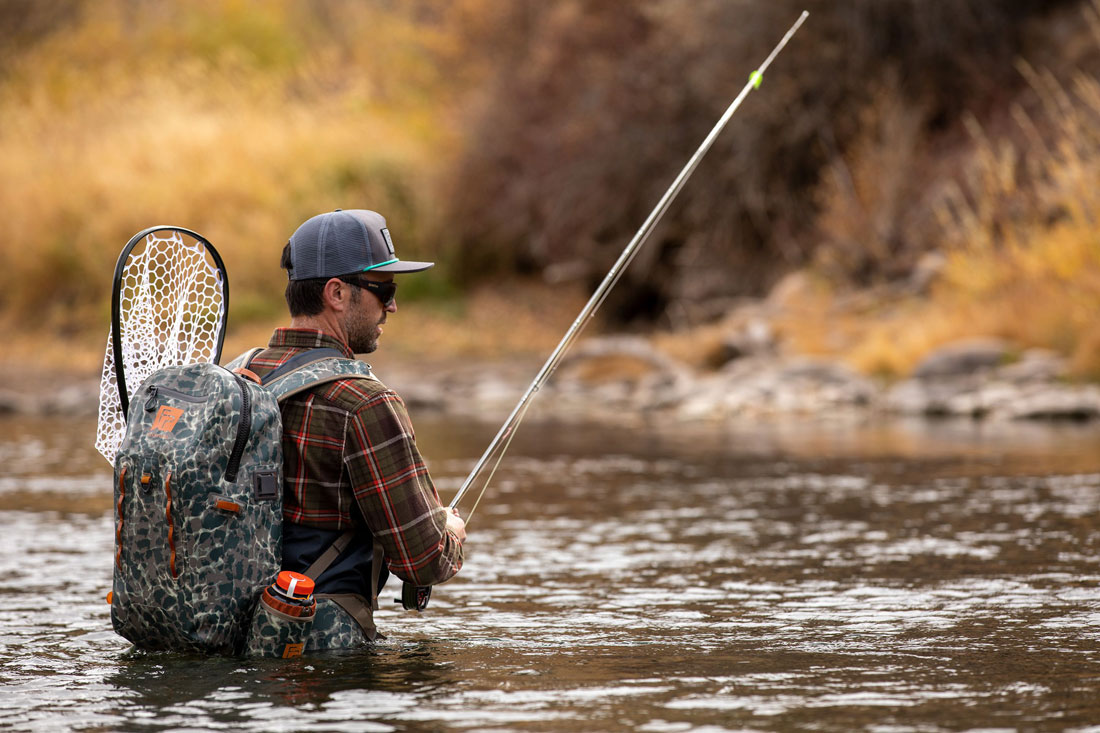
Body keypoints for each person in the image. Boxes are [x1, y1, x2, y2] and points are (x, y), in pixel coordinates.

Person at [243, 208, 466, 648]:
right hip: (317, 652)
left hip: (231, 629)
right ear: (337, 293)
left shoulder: (240, 376)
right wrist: (452, 534)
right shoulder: (364, 403)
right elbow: (423, 560)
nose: (393, 306)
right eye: (383, 289)